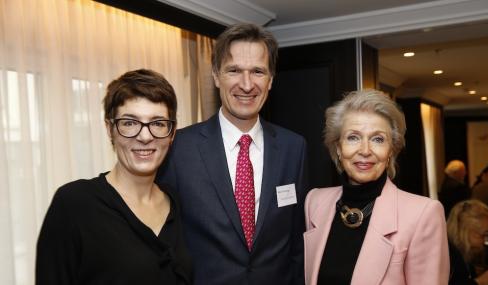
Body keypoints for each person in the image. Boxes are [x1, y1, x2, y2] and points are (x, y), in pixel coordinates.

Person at [157, 23, 308, 285]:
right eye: (234, 70)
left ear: (270, 79)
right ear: (216, 76)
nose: (246, 85)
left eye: (258, 72)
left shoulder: (293, 148)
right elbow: (165, 243)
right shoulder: (179, 147)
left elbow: (297, 242)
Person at [36, 69, 192, 285]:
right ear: (110, 129)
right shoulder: (74, 204)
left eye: (157, 123)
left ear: (172, 133)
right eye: (129, 123)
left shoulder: (176, 202)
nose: (145, 136)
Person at [303, 90, 449, 285]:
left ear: (391, 149)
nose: (365, 150)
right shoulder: (315, 202)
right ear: (338, 147)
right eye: (353, 137)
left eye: (378, 139)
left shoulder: (423, 213)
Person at [447, 200, 488, 285]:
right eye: (483, 235)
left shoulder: (464, 254)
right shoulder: (449, 256)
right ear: (464, 232)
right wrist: (480, 282)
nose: (486, 240)